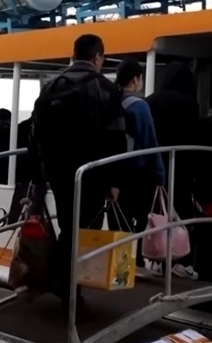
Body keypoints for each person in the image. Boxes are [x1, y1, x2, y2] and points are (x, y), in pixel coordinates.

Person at [29, 34, 127, 309]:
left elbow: (34, 133)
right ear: (97, 57)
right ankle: (71, 286)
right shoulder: (105, 88)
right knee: (87, 228)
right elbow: (116, 137)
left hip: (57, 172)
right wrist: (114, 180)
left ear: (73, 56)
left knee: (68, 224)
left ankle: (64, 282)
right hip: (92, 173)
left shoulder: (51, 87)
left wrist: (38, 175)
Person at [145, 61, 200, 277]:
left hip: (153, 166)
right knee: (179, 213)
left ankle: (153, 258)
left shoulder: (150, 100)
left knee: (155, 213)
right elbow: (191, 137)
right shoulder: (189, 104)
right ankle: (177, 260)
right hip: (180, 167)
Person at [114, 59, 166, 270]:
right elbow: (149, 141)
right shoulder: (139, 106)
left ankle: (120, 267)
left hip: (114, 172)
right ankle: (136, 265)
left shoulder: (110, 101)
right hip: (138, 173)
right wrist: (160, 174)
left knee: (120, 222)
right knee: (140, 221)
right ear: (135, 79)